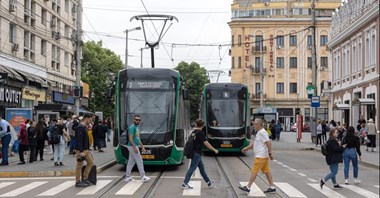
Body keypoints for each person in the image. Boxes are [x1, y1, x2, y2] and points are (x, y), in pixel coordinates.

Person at [238, 118, 276, 194]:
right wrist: (246, 148)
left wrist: (270, 153)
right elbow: (255, 143)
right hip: (262, 156)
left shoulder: (262, 132)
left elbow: (268, 143)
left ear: (258, 125)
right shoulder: (259, 132)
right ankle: (272, 187)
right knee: (267, 171)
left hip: (260, 156)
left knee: (254, 171)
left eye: (254, 123)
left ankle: (248, 187)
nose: (253, 125)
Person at [182, 118, 219, 189]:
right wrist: (214, 149)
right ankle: (185, 183)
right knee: (192, 168)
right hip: (196, 154)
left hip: (194, 153)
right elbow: (206, 143)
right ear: (203, 125)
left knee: (201, 168)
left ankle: (208, 182)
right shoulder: (200, 133)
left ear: (196, 124)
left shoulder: (194, 132)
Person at [125, 115, 151, 183]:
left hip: (133, 146)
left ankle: (128, 177)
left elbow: (138, 138)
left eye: (139, 120)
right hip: (132, 146)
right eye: (136, 119)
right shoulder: (132, 127)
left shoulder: (136, 128)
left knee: (131, 162)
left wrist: (142, 147)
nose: (138, 121)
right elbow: (130, 138)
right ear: (134, 120)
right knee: (139, 161)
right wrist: (134, 147)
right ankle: (143, 177)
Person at [75, 113, 94, 188]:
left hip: (86, 150)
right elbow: (79, 141)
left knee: (90, 162)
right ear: (86, 118)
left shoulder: (84, 127)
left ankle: (85, 178)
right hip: (81, 150)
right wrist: (81, 151)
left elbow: (85, 139)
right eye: (90, 119)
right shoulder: (80, 127)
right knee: (79, 165)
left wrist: (88, 148)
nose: (90, 121)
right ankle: (77, 181)